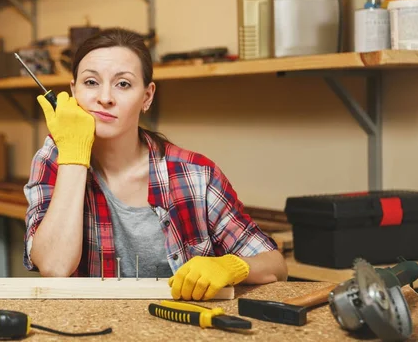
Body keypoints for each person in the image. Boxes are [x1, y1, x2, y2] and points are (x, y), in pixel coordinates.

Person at [23, 27, 288, 301]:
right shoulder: (54, 160)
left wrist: (233, 266)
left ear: (147, 97)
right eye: (91, 82)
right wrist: (74, 157)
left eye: (122, 84)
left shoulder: (195, 174)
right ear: (73, 91)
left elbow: (277, 267)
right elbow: (55, 266)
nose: (105, 98)